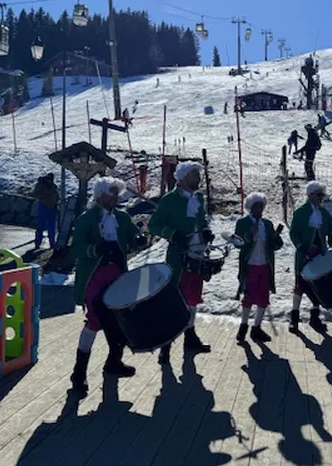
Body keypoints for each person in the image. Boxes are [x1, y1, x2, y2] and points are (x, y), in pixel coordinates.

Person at [70, 177, 148, 396]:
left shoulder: (123, 218)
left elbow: (133, 239)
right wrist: (95, 249)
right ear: (100, 195)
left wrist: (140, 239)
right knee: (95, 320)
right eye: (111, 193)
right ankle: (79, 373)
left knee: (119, 318)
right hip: (94, 276)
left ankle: (113, 362)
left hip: (117, 275)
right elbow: (76, 248)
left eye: (117, 194)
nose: (115, 197)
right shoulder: (87, 219)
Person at [148, 162, 214, 364]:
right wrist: (173, 234)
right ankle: (165, 345)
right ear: (183, 178)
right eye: (195, 175)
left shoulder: (199, 198)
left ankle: (190, 337)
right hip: (178, 258)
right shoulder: (169, 200)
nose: (199, 179)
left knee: (193, 299)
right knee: (176, 300)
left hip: (197, 255)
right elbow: (154, 225)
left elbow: (201, 220)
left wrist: (205, 230)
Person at [234, 192, 284, 343]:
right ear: (250, 207)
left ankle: (257, 328)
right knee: (248, 296)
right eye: (256, 206)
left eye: (261, 206)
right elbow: (238, 243)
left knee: (264, 296)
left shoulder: (267, 224)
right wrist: (249, 235)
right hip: (250, 265)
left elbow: (276, 246)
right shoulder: (242, 223)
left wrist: (276, 238)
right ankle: (243, 326)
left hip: (265, 265)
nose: (259, 210)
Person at [289, 181, 332, 334]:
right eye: (319, 195)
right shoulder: (300, 213)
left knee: (319, 286)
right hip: (304, 255)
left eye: (322, 195)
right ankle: (294, 318)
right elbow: (293, 233)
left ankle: (314, 317)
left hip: (320, 255)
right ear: (310, 195)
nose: (321, 198)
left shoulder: (324, 213)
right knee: (300, 286)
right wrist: (300, 246)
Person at [32, 173, 59, 249]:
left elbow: (56, 195)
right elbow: (35, 195)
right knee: (42, 227)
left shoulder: (53, 186)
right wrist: (46, 195)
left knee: (50, 228)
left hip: (51, 208)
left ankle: (51, 244)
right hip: (43, 207)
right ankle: (38, 243)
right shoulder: (42, 185)